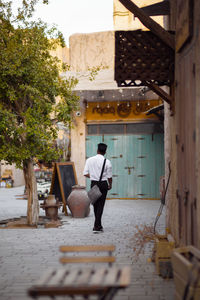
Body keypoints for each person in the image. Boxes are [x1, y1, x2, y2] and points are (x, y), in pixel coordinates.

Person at [83, 143, 112, 232]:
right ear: (105, 152)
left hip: (94, 184)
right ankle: (97, 225)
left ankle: (97, 225)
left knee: (95, 205)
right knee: (101, 205)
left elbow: (85, 173)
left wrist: (92, 176)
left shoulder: (89, 160)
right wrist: (110, 185)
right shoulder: (107, 162)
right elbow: (109, 177)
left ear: (97, 150)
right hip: (103, 184)